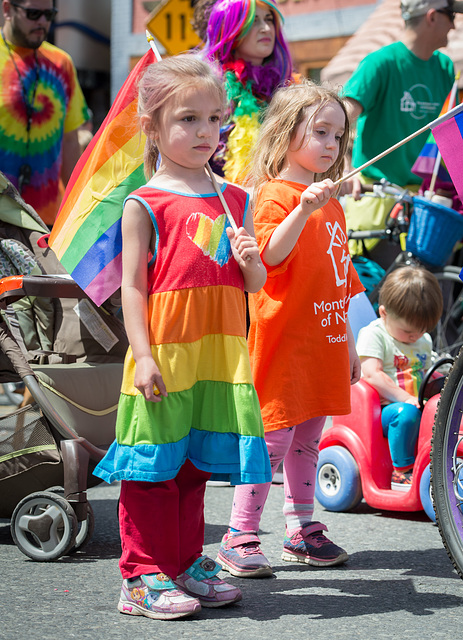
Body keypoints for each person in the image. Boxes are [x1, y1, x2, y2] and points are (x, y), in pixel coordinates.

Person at [93, 54, 270, 620]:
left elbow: (255, 282)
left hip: (219, 350)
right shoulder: (145, 202)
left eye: (213, 119)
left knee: (194, 464)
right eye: (187, 119)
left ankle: (187, 561)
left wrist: (251, 261)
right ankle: (141, 574)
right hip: (166, 351)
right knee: (153, 465)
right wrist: (142, 356)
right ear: (152, 124)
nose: (203, 132)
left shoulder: (233, 197)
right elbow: (135, 290)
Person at [216, 80, 364, 578]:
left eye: (339, 136)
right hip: (283, 346)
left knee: (308, 441)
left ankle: (301, 530)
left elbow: (340, 278)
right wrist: (304, 208)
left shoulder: (333, 204)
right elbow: (272, 255)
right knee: (271, 441)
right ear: (285, 131)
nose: (331, 144)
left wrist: (347, 345)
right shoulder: (276, 195)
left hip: (323, 344)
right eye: (320, 131)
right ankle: (240, 533)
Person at [342, 0, 461, 268]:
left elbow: (447, 136)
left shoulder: (444, 67)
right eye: (451, 15)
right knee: (384, 300)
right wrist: (344, 168)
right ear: (432, 16)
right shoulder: (379, 63)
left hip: (427, 207)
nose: (454, 25)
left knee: (431, 302)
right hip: (378, 202)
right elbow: (340, 117)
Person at [0, 0, 89, 226]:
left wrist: (77, 206)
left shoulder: (62, 63)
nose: (42, 22)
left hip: (47, 220)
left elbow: (70, 140)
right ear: (7, 9)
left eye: (49, 15)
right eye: (33, 13)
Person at [356, 266, 443, 489]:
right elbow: (372, 374)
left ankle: (440, 466)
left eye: (422, 330)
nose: (415, 336)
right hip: (384, 411)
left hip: (415, 404)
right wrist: (405, 398)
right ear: (384, 313)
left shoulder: (422, 340)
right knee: (407, 415)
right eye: (407, 331)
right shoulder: (375, 334)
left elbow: (425, 372)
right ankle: (401, 472)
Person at [199, 0, 293, 184]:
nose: (266, 28)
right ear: (230, 28)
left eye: (268, 19)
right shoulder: (208, 89)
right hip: (219, 205)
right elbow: (189, 160)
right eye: (253, 20)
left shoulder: (287, 90)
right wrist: (239, 194)